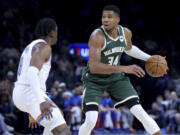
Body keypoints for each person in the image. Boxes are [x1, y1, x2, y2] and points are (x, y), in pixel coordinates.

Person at [79, 5, 162, 135]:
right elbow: (94, 67)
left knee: (140, 112)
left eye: (109, 17)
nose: (105, 19)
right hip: (94, 79)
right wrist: (125, 68)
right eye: (103, 17)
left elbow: (129, 48)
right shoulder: (97, 36)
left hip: (115, 77)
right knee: (90, 120)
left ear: (117, 19)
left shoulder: (125, 33)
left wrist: (149, 58)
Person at [12, 18, 71, 135]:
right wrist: (39, 101)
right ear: (52, 32)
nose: (57, 35)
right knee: (63, 132)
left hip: (24, 93)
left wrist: (32, 109)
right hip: (29, 93)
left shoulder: (32, 46)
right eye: (57, 31)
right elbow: (31, 73)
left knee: (59, 114)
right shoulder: (44, 47)